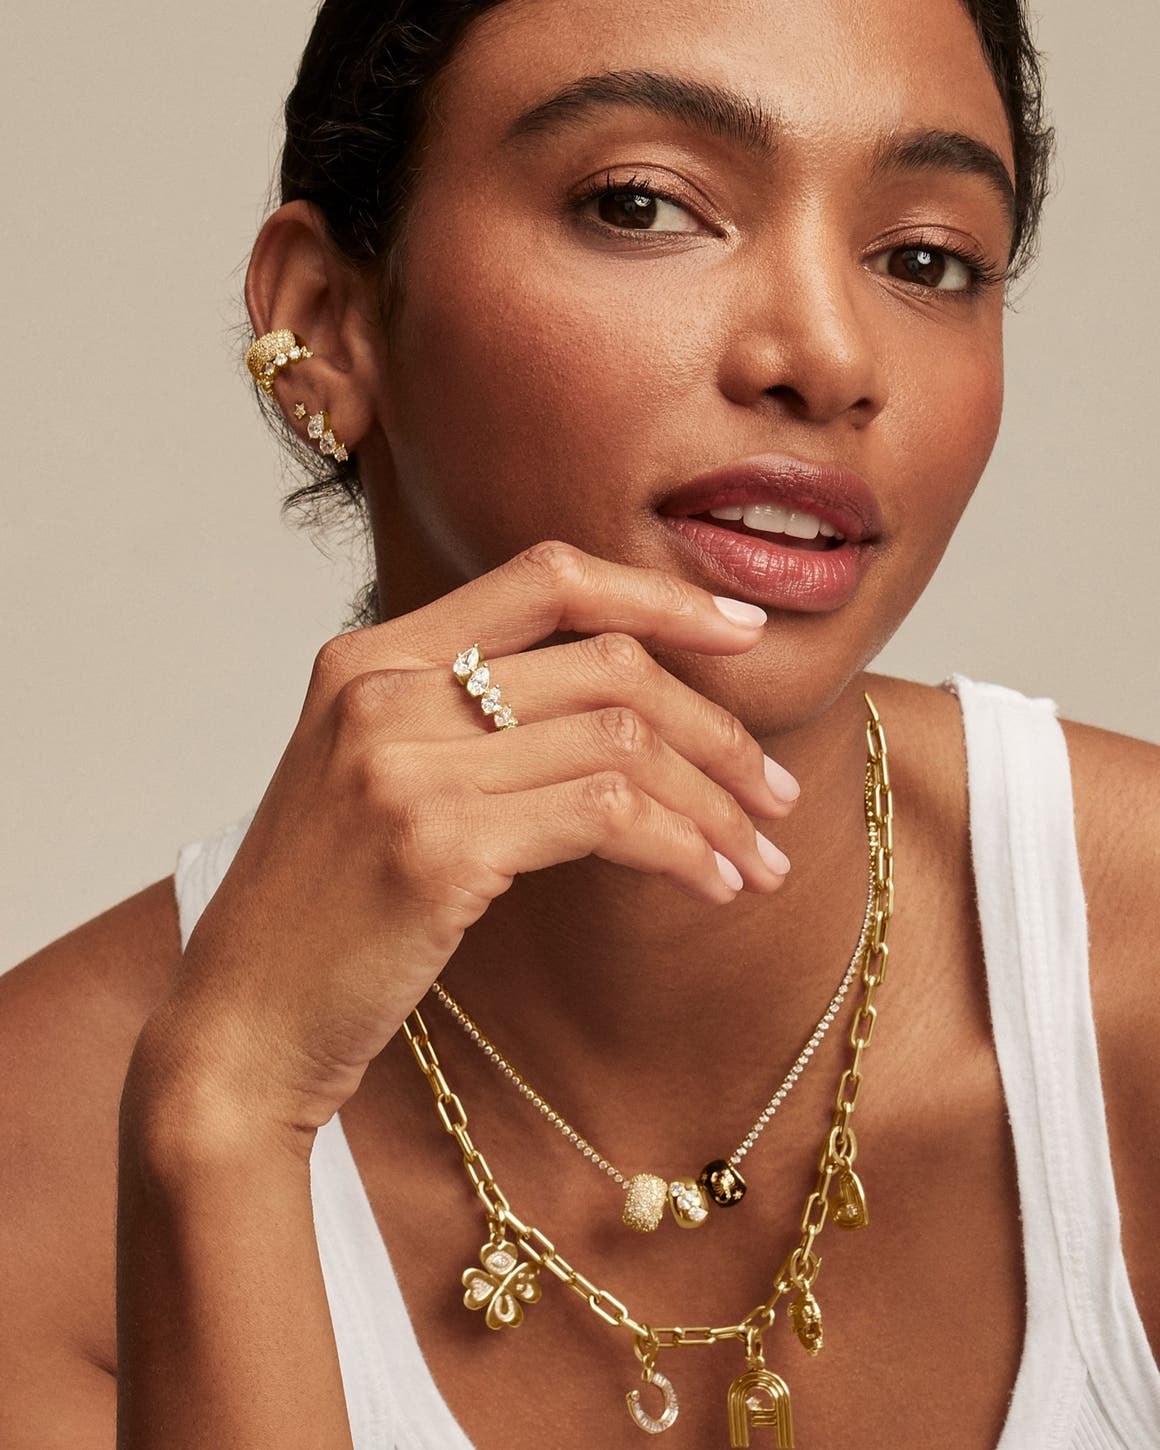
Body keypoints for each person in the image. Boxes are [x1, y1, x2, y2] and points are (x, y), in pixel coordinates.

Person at [2, 0, 1158, 1446]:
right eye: (644, 204)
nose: (827, 353)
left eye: (926, 258)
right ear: (324, 326)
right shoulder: (32, 1178)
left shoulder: (1136, 970)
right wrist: (229, 1114)